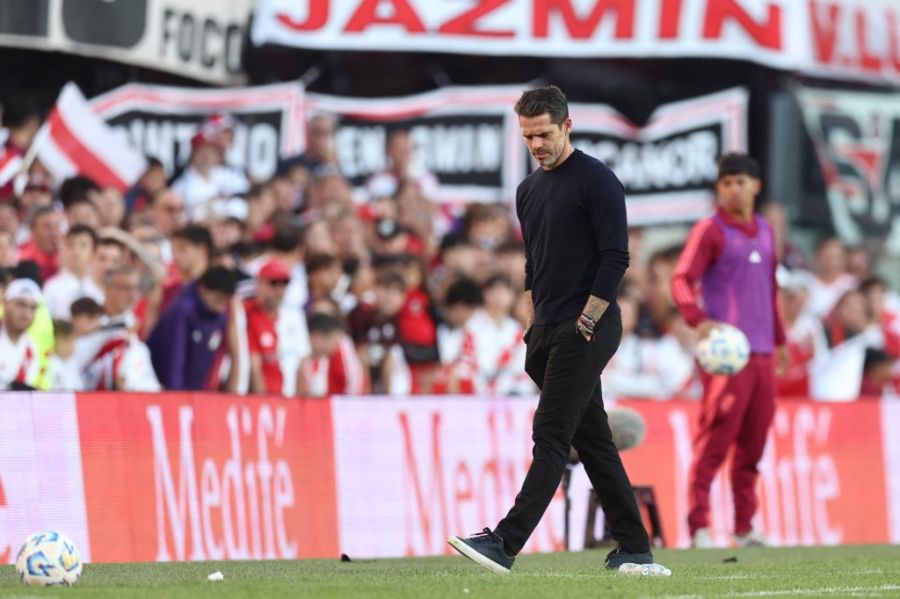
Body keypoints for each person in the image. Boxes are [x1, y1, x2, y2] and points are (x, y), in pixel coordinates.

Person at [448, 85, 660, 574]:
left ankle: (504, 543)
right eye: (528, 136)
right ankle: (635, 548)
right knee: (595, 443)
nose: (536, 145)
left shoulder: (597, 180)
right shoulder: (527, 191)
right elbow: (533, 264)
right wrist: (531, 323)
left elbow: (616, 258)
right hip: (545, 328)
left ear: (567, 126)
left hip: (587, 326)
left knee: (550, 434)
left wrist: (587, 319)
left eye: (543, 134)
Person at [670, 153, 788, 548]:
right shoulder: (710, 230)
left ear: (756, 186)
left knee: (754, 445)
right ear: (719, 188)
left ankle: (744, 526)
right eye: (727, 183)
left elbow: (770, 289)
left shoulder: (766, 230)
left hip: (763, 353)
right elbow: (681, 279)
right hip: (727, 356)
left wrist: (781, 340)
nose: (734, 190)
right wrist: (697, 319)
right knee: (715, 441)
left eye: (741, 182)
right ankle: (699, 526)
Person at [147, 266, 236, 390]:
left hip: (196, 391)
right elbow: (175, 357)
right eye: (218, 299)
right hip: (164, 387)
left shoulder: (220, 317)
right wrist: (175, 395)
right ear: (203, 289)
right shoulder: (183, 310)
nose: (221, 306)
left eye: (225, 301)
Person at [43, 225, 104, 319]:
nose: (76, 252)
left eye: (83, 246)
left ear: (93, 251)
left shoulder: (100, 288)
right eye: (71, 245)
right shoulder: (52, 287)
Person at [0, 278, 42, 388]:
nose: (26, 313)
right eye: (21, 304)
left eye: (33, 308)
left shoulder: (31, 349)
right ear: (5, 302)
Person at [46, 319, 83, 391]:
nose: (69, 346)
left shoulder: (72, 362)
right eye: (64, 341)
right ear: (52, 340)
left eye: (72, 341)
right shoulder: (48, 363)